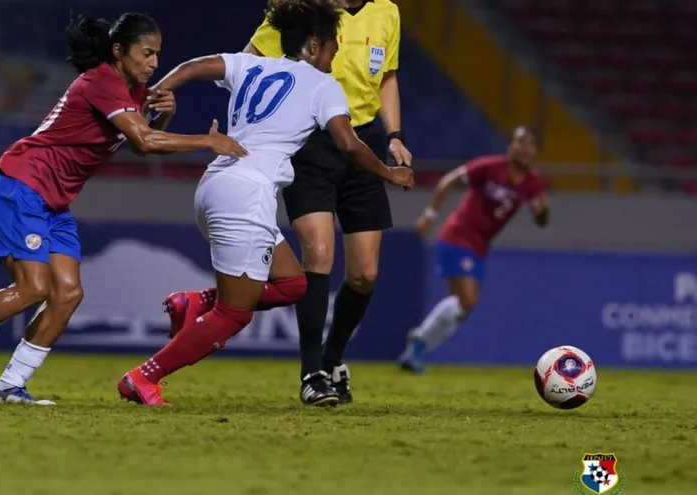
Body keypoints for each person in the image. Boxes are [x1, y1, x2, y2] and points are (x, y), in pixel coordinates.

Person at [0, 12, 246, 405]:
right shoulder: (101, 82)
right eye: (147, 53)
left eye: (158, 54)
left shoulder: (133, 89)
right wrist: (207, 141)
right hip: (23, 185)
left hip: (54, 201)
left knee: (68, 294)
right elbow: (144, 139)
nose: (154, 63)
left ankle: (10, 385)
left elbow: (140, 146)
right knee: (33, 288)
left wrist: (165, 114)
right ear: (119, 50)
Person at [117, 0, 414, 407]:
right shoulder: (322, 85)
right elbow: (348, 144)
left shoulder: (251, 65)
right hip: (246, 196)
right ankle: (143, 376)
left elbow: (195, 66)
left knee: (294, 285)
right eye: (333, 46)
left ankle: (195, 301)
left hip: (214, 186)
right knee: (234, 313)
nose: (336, 55)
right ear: (314, 46)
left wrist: (158, 90)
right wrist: (389, 174)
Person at [236, 0, 412, 406]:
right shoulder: (306, 9)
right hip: (309, 141)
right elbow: (249, 60)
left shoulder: (387, 12)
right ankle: (311, 373)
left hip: (363, 143)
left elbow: (387, 77)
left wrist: (395, 136)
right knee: (317, 251)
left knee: (364, 274)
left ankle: (332, 360)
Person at [398, 126, 550, 373]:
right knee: (467, 301)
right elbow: (448, 180)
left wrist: (543, 211)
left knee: (461, 308)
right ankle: (418, 342)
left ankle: (416, 350)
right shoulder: (489, 167)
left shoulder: (533, 183)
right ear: (510, 146)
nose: (524, 148)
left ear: (536, 152)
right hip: (458, 236)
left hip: (479, 247)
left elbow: (541, 220)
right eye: (520, 141)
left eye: (531, 144)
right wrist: (429, 215)